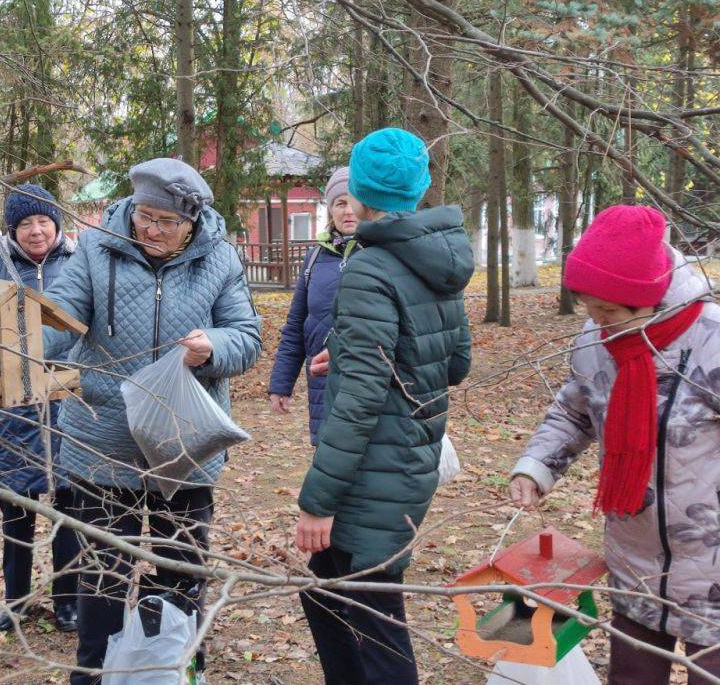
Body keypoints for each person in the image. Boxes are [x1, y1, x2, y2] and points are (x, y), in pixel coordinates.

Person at [43, 158, 262, 685]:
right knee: (101, 573)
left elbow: (247, 337)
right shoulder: (97, 249)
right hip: (102, 439)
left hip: (185, 442)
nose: (151, 230)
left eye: (165, 222)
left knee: (181, 567)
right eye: (144, 216)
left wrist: (213, 347)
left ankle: (176, 665)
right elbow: (60, 313)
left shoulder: (220, 259)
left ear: (191, 221)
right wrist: (16, 343)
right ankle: (94, 670)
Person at [508, 205, 719, 684]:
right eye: (588, 305)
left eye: (609, 310)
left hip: (713, 563)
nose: (596, 319)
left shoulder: (712, 342)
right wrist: (535, 467)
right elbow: (573, 411)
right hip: (635, 555)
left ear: (651, 300)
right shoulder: (596, 339)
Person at [295, 128, 473, 684]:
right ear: (419, 190)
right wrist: (346, 351)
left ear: (362, 194)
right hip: (406, 465)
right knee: (327, 589)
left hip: (373, 470)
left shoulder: (370, 266)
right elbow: (454, 363)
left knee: (376, 622)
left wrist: (317, 500)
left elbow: (359, 403)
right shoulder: (437, 261)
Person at [0, 183, 80, 635]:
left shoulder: (77, 265)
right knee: (17, 511)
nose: (37, 232)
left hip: (68, 402)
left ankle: (68, 601)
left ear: (57, 224)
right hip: (11, 408)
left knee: (69, 510)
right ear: (12, 229)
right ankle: (14, 603)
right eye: (27, 223)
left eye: (44, 221)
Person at [268, 167, 360, 446]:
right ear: (330, 209)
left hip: (369, 385)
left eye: (355, 201)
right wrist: (281, 384)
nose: (348, 211)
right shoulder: (315, 258)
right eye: (340, 203)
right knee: (328, 462)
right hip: (322, 388)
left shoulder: (381, 253)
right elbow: (296, 326)